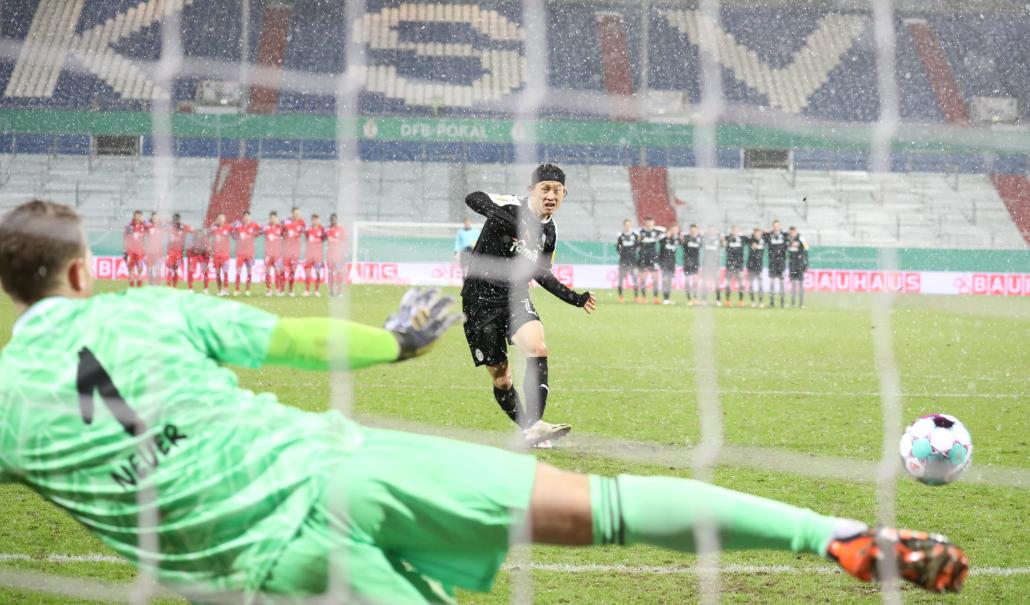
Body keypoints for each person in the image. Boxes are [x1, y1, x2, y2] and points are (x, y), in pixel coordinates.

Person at [0, 199, 970, 604]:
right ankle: (830, 532)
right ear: (86, 270)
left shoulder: (7, 400)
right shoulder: (153, 310)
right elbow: (297, 339)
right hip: (344, 459)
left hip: (272, 558)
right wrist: (396, 340)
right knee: (598, 505)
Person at [461, 164, 597, 448]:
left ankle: (536, 424)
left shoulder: (549, 233)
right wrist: (512, 224)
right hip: (478, 301)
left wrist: (576, 298)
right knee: (502, 378)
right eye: (545, 189)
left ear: (564, 195)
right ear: (531, 191)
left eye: (557, 191)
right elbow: (474, 197)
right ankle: (527, 427)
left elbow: (541, 273)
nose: (551, 195)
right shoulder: (512, 206)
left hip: (514, 297)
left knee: (538, 348)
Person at [233, 211, 261, 297]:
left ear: (250, 218)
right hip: (240, 253)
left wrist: (255, 236)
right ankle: (237, 290)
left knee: (249, 271)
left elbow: (261, 231)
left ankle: (247, 290)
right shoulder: (238, 227)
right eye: (245, 217)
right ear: (242, 218)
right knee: (238, 271)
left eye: (248, 216)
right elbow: (233, 235)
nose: (246, 218)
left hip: (250, 253)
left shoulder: (254, 226)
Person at [636, 217, 662, 304]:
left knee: (655, 278)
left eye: (651, 222)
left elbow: (666, 233)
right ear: (645, 223)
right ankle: (644, 298)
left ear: (653, 223)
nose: (649, 224)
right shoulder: (640, 233)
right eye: (648, 222)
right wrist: (638, 241)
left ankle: (656, 298)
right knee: (643, 279)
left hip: (653, 258)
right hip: (643, 257)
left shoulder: (657, 232)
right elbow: (636, 245)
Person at [281, 207, 306, 297]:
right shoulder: (285, 222)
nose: (297, 215)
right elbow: (280, 232)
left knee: (292, 271)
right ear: (292, 213)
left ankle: (291, 290)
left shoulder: (302, 223)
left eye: (298, 214)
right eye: (295, 213)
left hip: (295, 252)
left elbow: (306, 233)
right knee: (283, 270)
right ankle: (282, 289)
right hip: (286, 251)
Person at [614, 218, 639, 303]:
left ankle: (636, 297)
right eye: (626, 225)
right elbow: (617, 247)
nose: (628, 226)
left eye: (629, 225)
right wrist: (623, 254)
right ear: (624, 226)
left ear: (631, 226)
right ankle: (621, 297)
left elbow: (638, 245)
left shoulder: (635, 235)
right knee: (621, 279)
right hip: (623, 261)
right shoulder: (620, 235)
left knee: (635, 279)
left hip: (633, 261)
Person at [209, 213, 234, 297]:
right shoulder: (214, 228)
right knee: (217, 273)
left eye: (222, 218)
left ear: (225, 219)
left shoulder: (228, 227)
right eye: (219, 218)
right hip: (216, 255)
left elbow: (235, 231)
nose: (221, 220)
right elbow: (209, 233)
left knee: (225, 272)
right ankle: (219, 290)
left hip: (225, 254)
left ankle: (226, 289)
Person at [766, 220, 788, 308]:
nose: (776, 227)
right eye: (774, 226)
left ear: (779, 226)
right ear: (773, 226)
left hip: (781, 262)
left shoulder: (784, 235)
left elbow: (791, 239)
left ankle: (782, 303)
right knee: (772, 283)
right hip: (772, 262)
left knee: (782, 283)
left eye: (777, 226)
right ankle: (772, 303)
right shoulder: (769, 235)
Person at [723, 225, 746, 307]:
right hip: (730, 264)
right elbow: (722, 243)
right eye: (733, 230)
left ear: (738, 231)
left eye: (736, 230)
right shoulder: (727, 238)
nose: (735, 232)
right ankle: (728, 301)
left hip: (739, 265)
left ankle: (741, 300)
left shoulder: (742, 238)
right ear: (731, 231)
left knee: (741, 283)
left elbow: (752, 239)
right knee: (728, 283)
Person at [303, 213, 326, 298]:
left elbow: (324, 238)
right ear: (311, 220)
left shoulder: (322, 229)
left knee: (318, 273)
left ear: (318, 220)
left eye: (317, 219)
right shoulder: (308, 230)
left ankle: (316, 291)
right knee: (308, 274)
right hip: (309, 255)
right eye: (314, 219)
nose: (315, 221)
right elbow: (306, 238)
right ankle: (307, 290)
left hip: (318, 255)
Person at [165, 214, 190, 289]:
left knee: (175, 270)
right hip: (170, 251)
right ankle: (169, 286)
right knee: (170, 269)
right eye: (175, 219)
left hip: (179, 252)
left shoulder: (183, 227)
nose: (176, 221)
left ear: (179, 220)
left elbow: (191, 230)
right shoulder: (169, 227)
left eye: (177, 219)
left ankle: (175, 286)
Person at [658, 223, 681, 305]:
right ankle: (665, 298)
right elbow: (660, 241)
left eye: (676, 230)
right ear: (670, 229)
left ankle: (667, 299)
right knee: (666, 280)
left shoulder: (676, 239)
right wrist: (666, 236)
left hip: (672, 262)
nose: (675, 231)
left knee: (669, 281)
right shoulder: (664, 237)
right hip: (664, 262)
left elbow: (681, 243)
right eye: (674, 229)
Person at [123, 210, 146, 288]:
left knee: (140, 270)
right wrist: (125, 251)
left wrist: (144, 221)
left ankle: (139, 289)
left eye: (139, 216)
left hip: (140, 252)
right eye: (136, 216)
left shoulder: (144, 225)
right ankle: (132, 289)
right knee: (131, 271)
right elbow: (125, 239)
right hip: (130, 252)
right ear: (133, 216)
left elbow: (151, 226)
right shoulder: (129, 226)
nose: (138, 217)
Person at [325, 213, 347, 298]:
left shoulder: (341, 230)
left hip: (339, 255)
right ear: (330, 220)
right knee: (330, 274)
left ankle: (339, 291)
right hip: (330, 255)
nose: (334, 221)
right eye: (332, 219)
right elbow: (323, 238)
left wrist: (344, 252)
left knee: (339, 273)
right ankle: (331, 291)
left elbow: (344, 242)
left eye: (335, 219)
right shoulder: (327, 230)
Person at [185, 224, 211, 294]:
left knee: (205, 272)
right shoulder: (192, 240)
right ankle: (190, 288)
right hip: (194, 256)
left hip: (202, 256)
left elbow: (208, 251)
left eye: (200, 234)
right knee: (190, 271)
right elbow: (189, 250)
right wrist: (189, 261)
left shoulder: (205, 240)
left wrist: (207, 261)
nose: (199, 235)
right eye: (197, 234)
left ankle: (206, 288)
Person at [787, 226, 809, 308]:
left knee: (801, 284)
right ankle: (793, 303)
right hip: (792, 265)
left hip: (799, 264)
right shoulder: (788, 239)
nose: (792, 233)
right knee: (793, 284)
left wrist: (806, 263)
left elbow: (806, 248)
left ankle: (801, 303)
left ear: (796, 231)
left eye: (793, 232)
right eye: (791, 232)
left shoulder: (801, 238)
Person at [263, 211, 284, 297]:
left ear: (276, 218)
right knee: (267, 272)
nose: (273, 219)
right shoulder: (266, 228)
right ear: (269, 219)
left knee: (277, 272)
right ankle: (268, 290)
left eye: (274, 218)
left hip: (277, 254)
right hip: (268, 254)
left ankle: (278, 289)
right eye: (271, 218)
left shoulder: (280, 228)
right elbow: (257, 231)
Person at [681, 223, 702, 305]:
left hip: (696, 262)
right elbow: (682, 244)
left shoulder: (700, 238)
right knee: (688, 281)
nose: (693, 231)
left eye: (695, 230)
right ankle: (689, 299)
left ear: (697, 230)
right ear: (690, 230)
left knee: (695, 281)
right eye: (692, 230)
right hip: (687, 262)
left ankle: (695, 298)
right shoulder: (686, 238)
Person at [702, 225, 722, 305]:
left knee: (716, 283)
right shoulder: (704, 238)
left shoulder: (719, 238)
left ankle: (718, 300)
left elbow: (724, 243)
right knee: (705, 282)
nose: (712, 231)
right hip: (706, 264)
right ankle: (704, 300)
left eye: (713, 230)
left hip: (715, 264)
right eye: (710, 230)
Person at [143, 212, 165, 286]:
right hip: (149, 251)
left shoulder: (161, 226)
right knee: (150, 270)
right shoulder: (148, 227)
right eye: (154, 217)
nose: (155, 219)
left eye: (156, 217)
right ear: (151, 218)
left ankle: (158, 285)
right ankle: (151, 285)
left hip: (159, 252)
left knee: (157, 269)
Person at [746, 227, 766, 308]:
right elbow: (745, 239)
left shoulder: (763, 240)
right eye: (755, 233)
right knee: (751, 284)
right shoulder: (751, 240)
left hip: (759, 266)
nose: (757, 235)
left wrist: (765, 233)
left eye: (758, 233)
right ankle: (752, 301)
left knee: (760, 284)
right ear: (753, 234)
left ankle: (761, 301)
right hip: (751, 266)